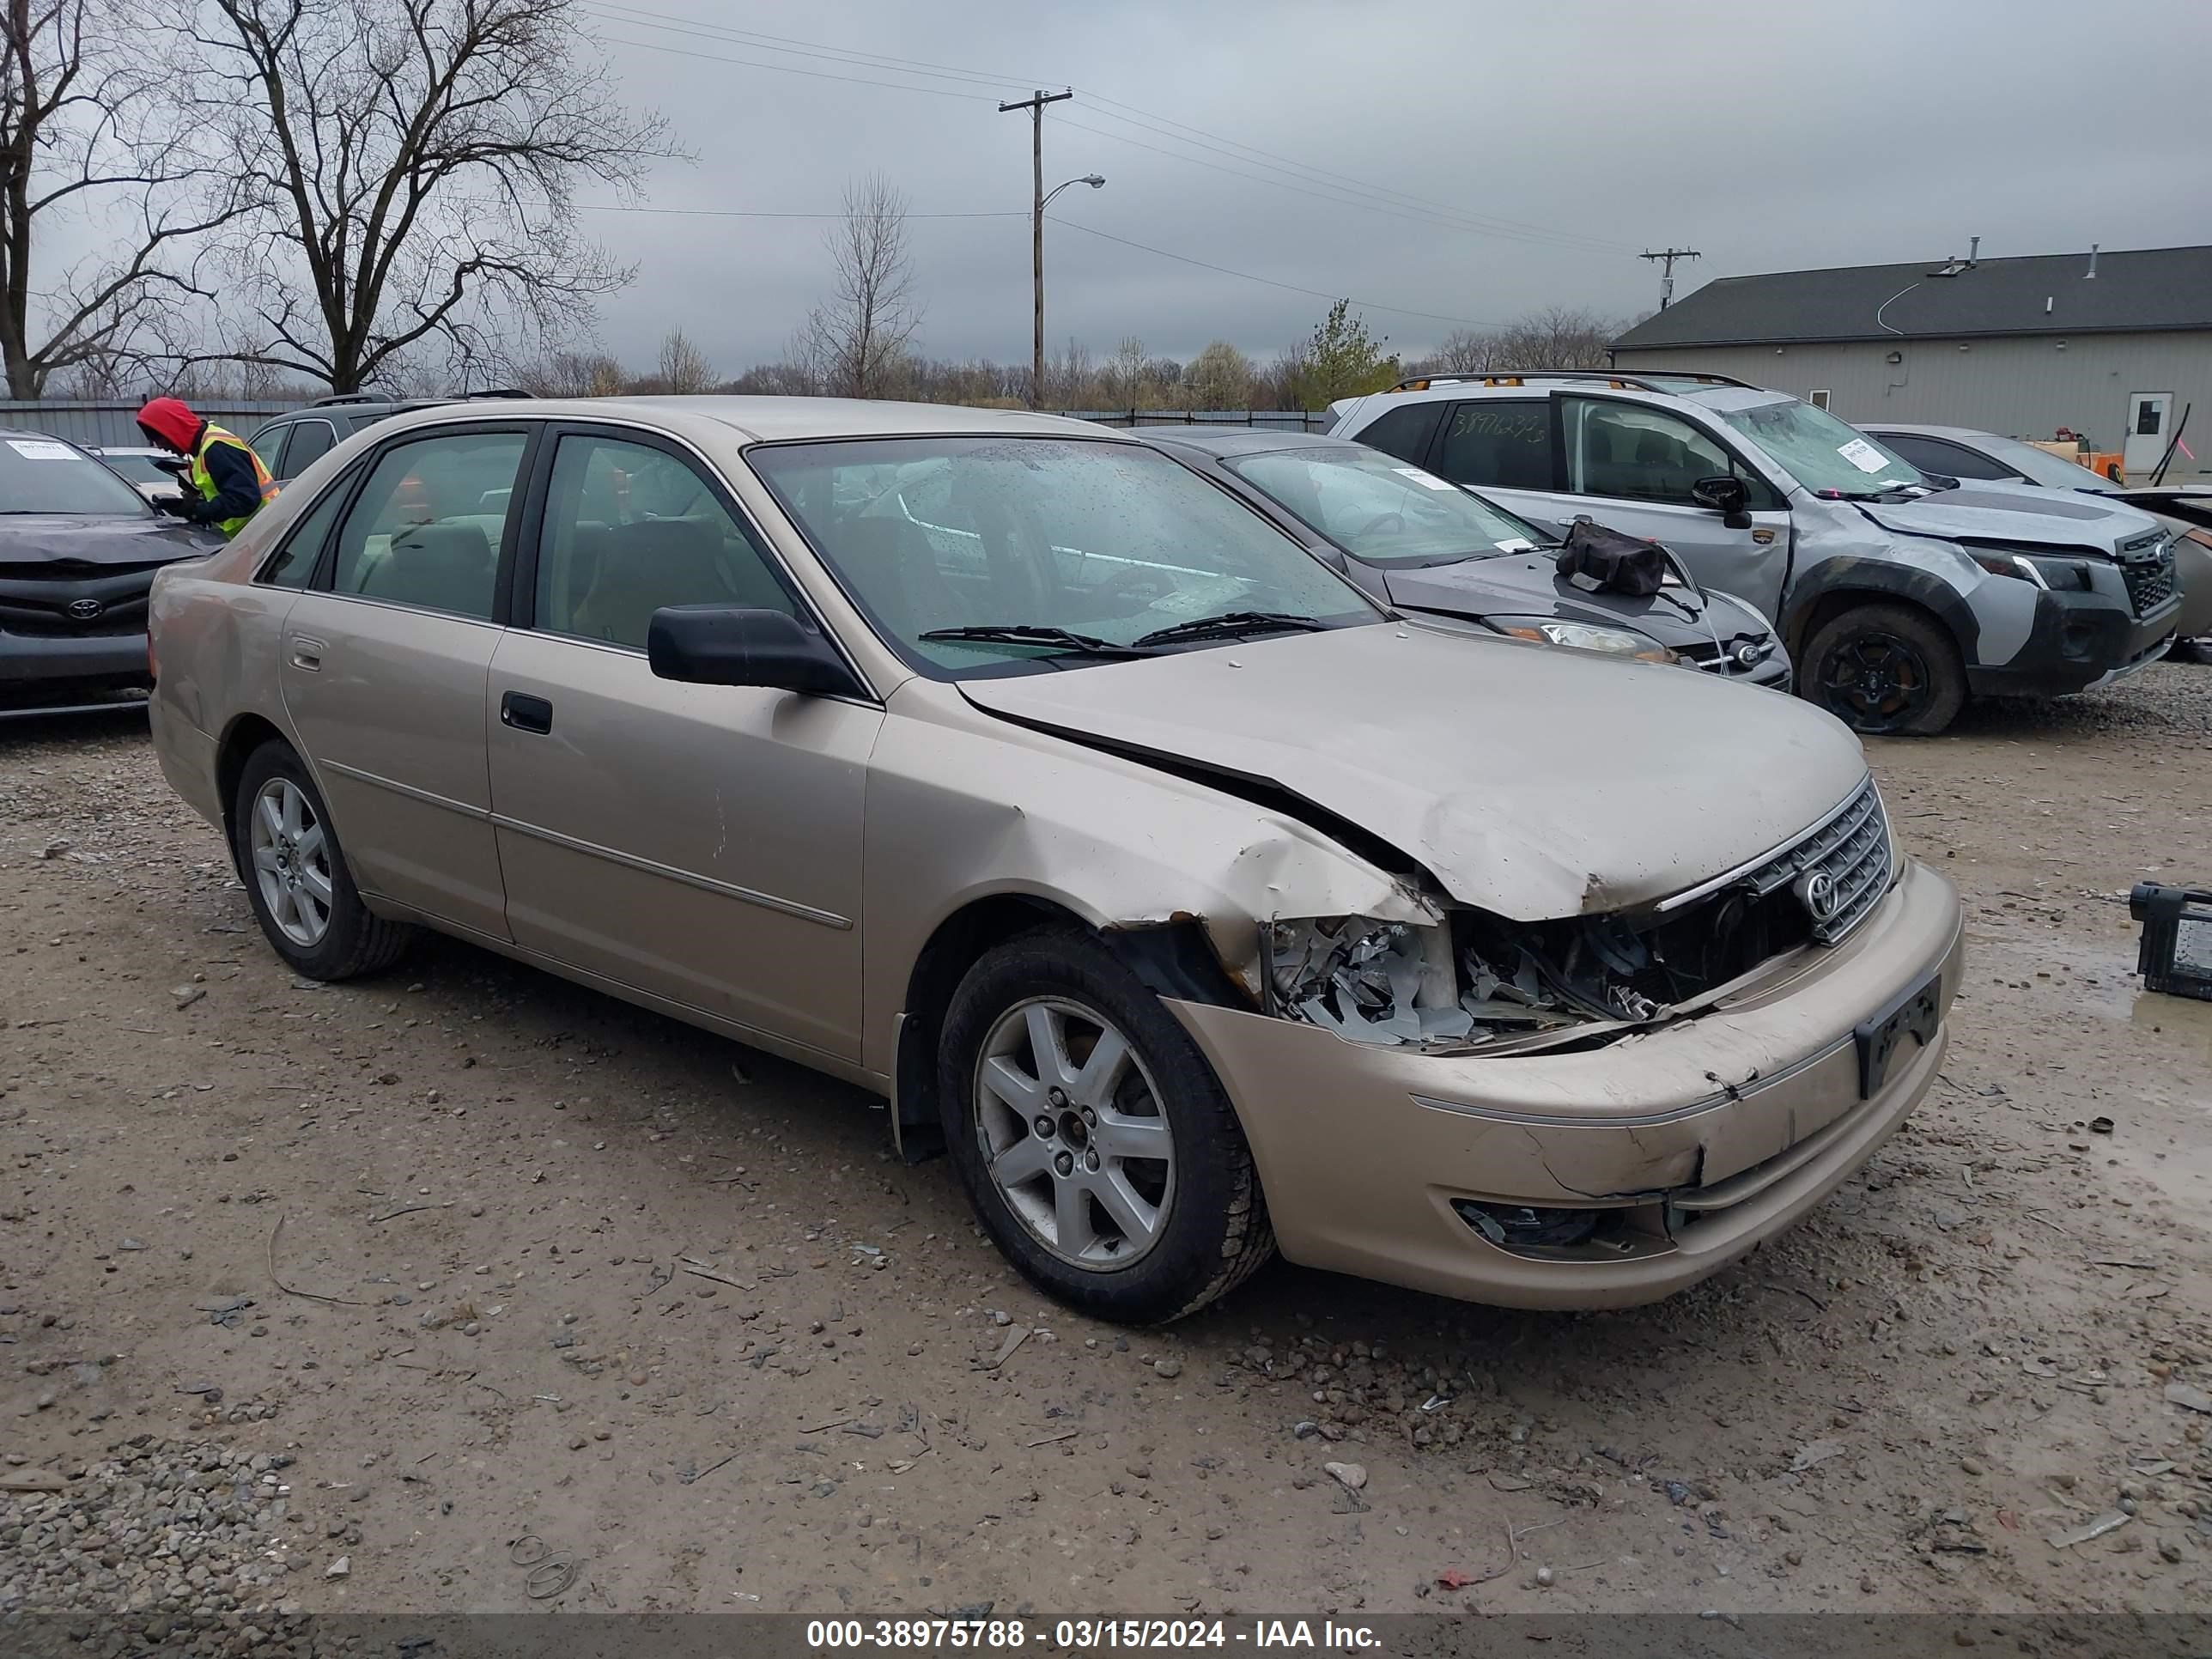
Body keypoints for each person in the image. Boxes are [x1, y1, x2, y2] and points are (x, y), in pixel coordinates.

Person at [133, 397, 278, 538]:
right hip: (259, 534)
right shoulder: (206, 447)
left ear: (173, 428)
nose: (160, 446)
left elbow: (244, 499)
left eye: (159, 438)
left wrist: (196, 511)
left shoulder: (216, 449)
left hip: (266, 536)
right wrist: (185, 506)